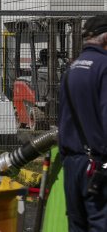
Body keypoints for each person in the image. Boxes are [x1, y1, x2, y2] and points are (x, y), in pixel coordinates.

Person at [58, 14, 107, 231]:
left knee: (77, 225)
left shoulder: (71, 69)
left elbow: (62, 119)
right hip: (99, 164)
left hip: (71, 164)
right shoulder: (104, 67)